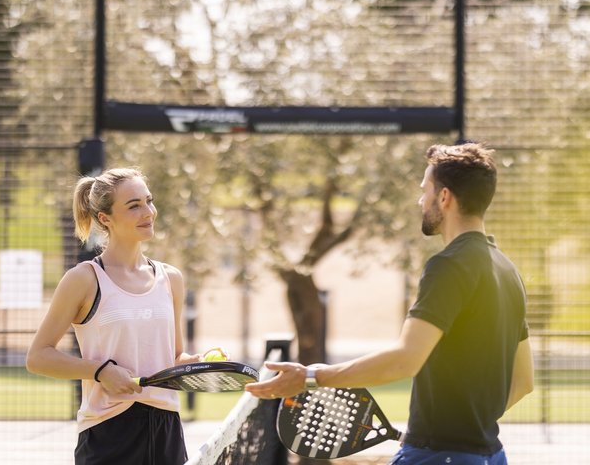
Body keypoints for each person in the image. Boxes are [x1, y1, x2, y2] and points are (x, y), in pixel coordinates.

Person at [246, 142, 534, 465]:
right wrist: (468, 427)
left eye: (425, 190)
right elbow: (523, 382)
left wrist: (310, 377)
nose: (420, 200)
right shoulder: (508, 271)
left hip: (439, 457)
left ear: (444, 197)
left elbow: (405, 360)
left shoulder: (449, 265)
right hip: (490, 455)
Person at [27, 167, 224, 465]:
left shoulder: (171, 278)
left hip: (167, 431)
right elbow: (38, 357)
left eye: (149, 201)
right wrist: (99, 371)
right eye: (134, 206)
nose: (148, 212)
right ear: (105, 218)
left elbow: (173, 356)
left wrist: (194, 364)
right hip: (108, 434)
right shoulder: (84, 279)